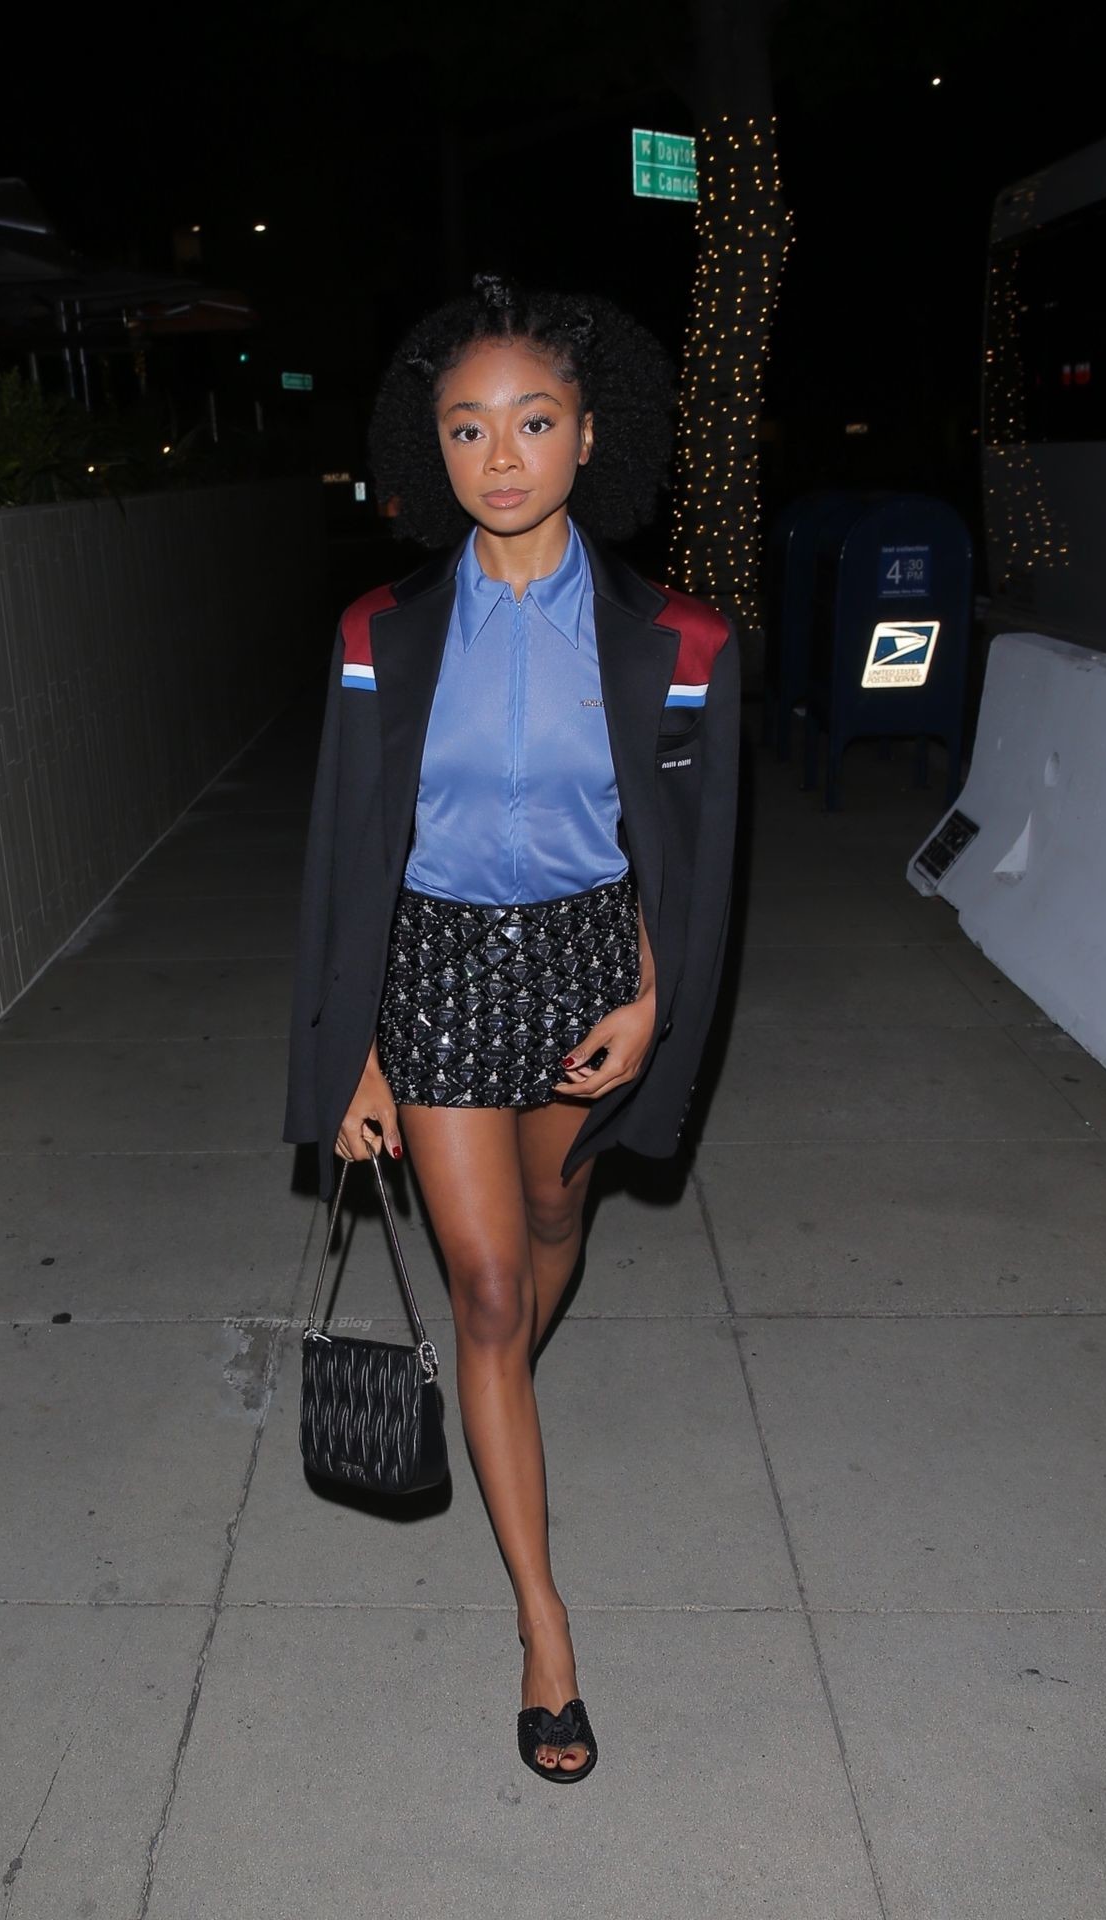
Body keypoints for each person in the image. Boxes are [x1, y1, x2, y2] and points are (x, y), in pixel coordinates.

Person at [283, 273, 740, 1782]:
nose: (500, 455)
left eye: (533, 421)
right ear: (432, 449)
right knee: (485, 1292)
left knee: (554, 1222)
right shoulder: (378, 632)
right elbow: (347, 850)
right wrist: (349, 1049)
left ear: (590, 435)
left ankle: (500, 1399)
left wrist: (655, 994)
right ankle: (545, 1626)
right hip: (433, 963)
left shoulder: (680, 640)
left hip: (592, 963)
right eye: (467, 427)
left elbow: (697, 858)